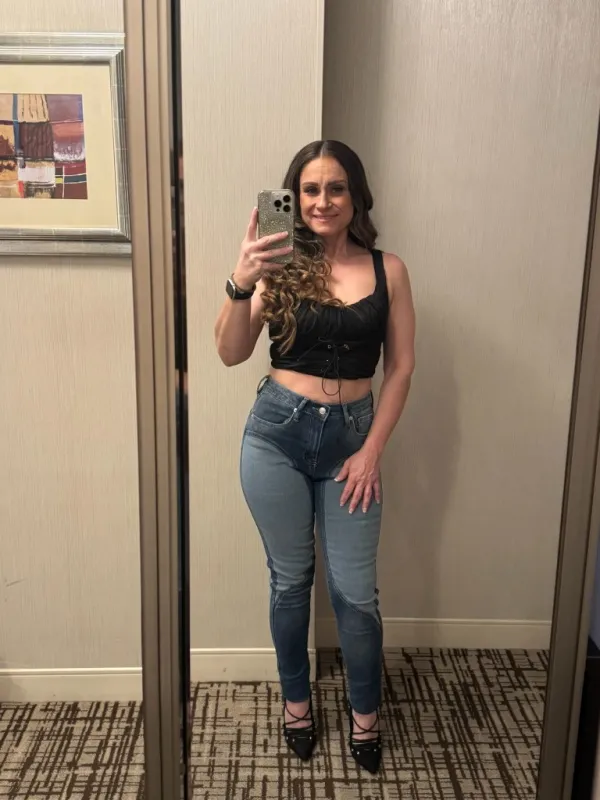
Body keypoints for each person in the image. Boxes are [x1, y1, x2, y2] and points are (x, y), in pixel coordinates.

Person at [214, 140, 415, 773]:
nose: (322, 201)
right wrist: (241, 281)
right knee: (290, 580)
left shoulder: (389, 270)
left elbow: (401, 368)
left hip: (354, 442)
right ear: (293, 198)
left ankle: (365, 714)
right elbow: (230, 352)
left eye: (335, 187)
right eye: (309, 189)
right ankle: (296, 704)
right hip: (276, 435)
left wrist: (372, 450)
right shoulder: (277, 264)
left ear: (355, 195)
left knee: (355, 592)